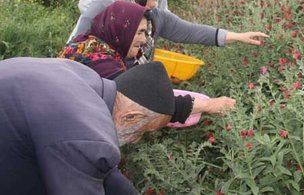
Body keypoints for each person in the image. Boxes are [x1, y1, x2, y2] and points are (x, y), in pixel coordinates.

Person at [0, 57, 235, 194]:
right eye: (146, 132)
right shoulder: (88, 136)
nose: (137, 140)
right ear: (130, 117)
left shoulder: (89, 80)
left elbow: (101, 170)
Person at [68, 0, 268, 65]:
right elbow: (75, 53)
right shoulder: (103, 10)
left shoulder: (154, 16)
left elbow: (192, 31)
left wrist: (239, 37)